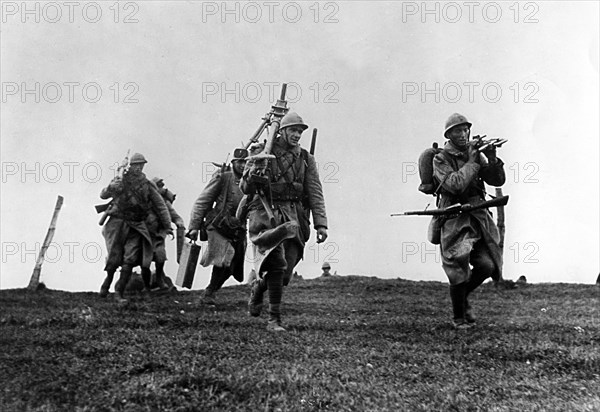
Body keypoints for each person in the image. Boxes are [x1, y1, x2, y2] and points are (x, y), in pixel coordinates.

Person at [241, 111, 328, 331]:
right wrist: (254, 176)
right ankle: (274, 319)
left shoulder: (306, 159)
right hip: (266, 214)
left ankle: (259, 288)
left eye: (300, 131)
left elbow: (315, 192)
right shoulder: (262, 151)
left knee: (284, 272)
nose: (297, 135)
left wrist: (321, 224)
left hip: (294, 217)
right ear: (281, 131)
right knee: (277, 264)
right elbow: (245, 187)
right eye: (293, 130)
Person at [433, 113, 506, 329]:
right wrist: (474, 162)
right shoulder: (441, 159)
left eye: (465, 130)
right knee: (458, 267)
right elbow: (454, 184)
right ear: (449, 135)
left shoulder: (474, 153)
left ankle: (463, 299)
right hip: (454, 219)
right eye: (458, 131)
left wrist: (491, 160)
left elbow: (496, 180)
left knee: (487, 265)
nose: (463, 134)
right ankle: (458, 319)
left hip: (478, 218)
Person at [98, 153, 173, 302]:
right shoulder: (120, 180)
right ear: (130, 166)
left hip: (137, 225)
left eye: (141, 165)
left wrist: (168, 225)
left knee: (130, 258)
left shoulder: (147, 184)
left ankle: (119, 293)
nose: (138, 168)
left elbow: (160, 206)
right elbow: (103, 195)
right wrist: (111, 187)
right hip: (117, 223)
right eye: (135, 165)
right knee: (115, 256)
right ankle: (106, 284)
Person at [186, 150, 248, 305]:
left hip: (238, 228)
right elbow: (202, 201)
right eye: (239, 162)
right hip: (218, 224)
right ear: (233, 163)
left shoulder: (250, 181)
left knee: (232, 265)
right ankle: (208, 294)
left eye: (245, 162)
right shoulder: (223, 177)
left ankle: (210, 291)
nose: (242, 165)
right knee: (225, 257)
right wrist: (194, 226)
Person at [146, 177, 186, 292]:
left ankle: (159, 279)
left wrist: (179, 224)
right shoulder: (144, 201)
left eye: (161, 186)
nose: (161, 189)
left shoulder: (165, 203)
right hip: (145, 235)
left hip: (158, 236)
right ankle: (147, 284)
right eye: (158, 186)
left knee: (160, 257)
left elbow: (175, 216)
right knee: (144, 261)